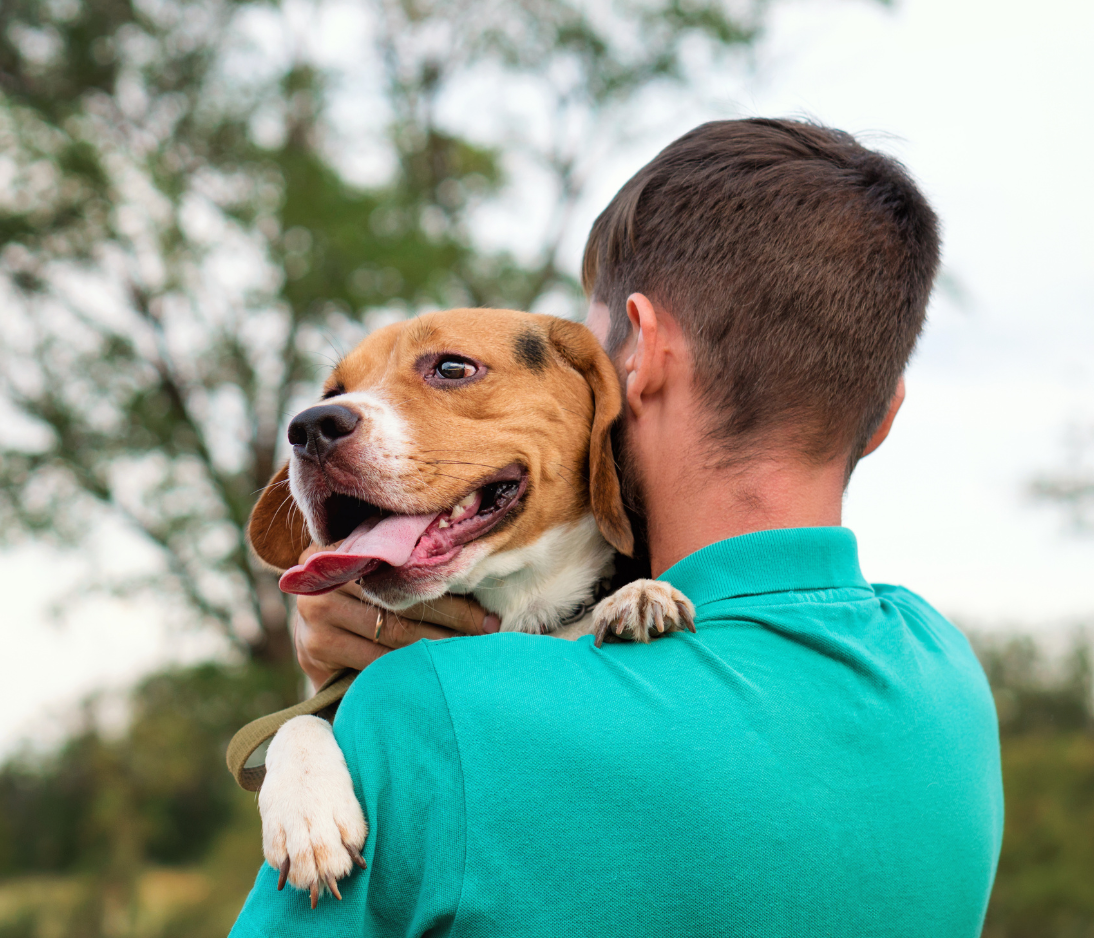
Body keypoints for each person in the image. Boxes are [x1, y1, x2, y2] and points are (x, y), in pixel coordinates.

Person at [230, 119, 1003, 937]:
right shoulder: (947, 671)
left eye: (599, 347)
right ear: (882, 416)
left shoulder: (428, 712)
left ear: (643, 355)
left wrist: (366, 707)